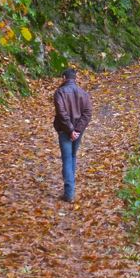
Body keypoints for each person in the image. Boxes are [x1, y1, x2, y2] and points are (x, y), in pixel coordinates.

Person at [53, 68, 93, 203]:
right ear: (75, 78)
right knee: (73, 156)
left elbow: (61, 113)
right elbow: (87, 113)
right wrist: (77, 130)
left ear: (64, 77)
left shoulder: (59, 93)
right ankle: (70, 187)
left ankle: (69, 193)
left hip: (65, 131)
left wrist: (70, 130)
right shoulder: (83, 93)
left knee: (67, 158)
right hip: (77, 132)